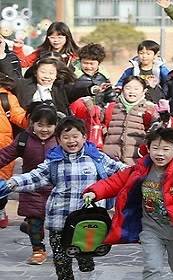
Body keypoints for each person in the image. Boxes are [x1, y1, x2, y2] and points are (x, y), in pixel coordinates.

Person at [3, 116, 126, 280]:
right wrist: (11, 183)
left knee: (85, 259)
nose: (71, 141)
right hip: (59, 219)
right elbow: (35, 176)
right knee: (61, 261)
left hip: (87, 221)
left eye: (75, 136)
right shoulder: (54, 161)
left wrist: (142, 174)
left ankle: (86, 263)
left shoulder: (97, 158)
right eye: (66, 137)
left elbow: (123, 171)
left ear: (84, 137)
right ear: (58, 140)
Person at [83, 127, 173, 279]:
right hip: (151, 230)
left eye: (165, 149)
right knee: (152, 268)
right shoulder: (140, 169)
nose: (160, 153)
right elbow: (115, 181)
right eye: (155, 148)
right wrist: (94, 192)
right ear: (148, 149)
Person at [0, 104, 58, 264]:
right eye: (40, 125)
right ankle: (38, 250)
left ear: (56, 125)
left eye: (49, 125)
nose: (44, 129)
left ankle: (60, 248)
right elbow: (5, 155)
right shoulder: (24, 139)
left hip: (56, 190)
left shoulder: (61, 139)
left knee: (57, 224)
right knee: (34, 221)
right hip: (31, 188)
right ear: (32, 123)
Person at [102, 76, 155, 165]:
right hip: (110, 161)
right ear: (122, 90)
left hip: (135, 162)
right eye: (128, 88)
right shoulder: (111, 107)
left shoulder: (149, 110)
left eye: (136, 89)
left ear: (144, 91)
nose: (132, 91)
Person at [13, 57, 92, 116]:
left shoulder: (61, 88)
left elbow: (76, 90)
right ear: (35, 73)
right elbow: (9, 77)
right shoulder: (24, 86)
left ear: (56, 75)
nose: (47, 76)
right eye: (43, 72)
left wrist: (93, 89)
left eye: (51, 73)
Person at [0, 72, 29, 229]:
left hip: (2, 150)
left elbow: (19, 116)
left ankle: (0, 208)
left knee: (1, 185)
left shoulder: (6, 97)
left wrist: (35, 119)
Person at [13, 22, 79, 68]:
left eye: (60, 37)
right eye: (52, 37)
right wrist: (17, 49)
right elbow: (23, 63)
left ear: (67, 38)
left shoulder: (75, 54)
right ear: (47, 38)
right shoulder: (40, 53)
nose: (56, 40)